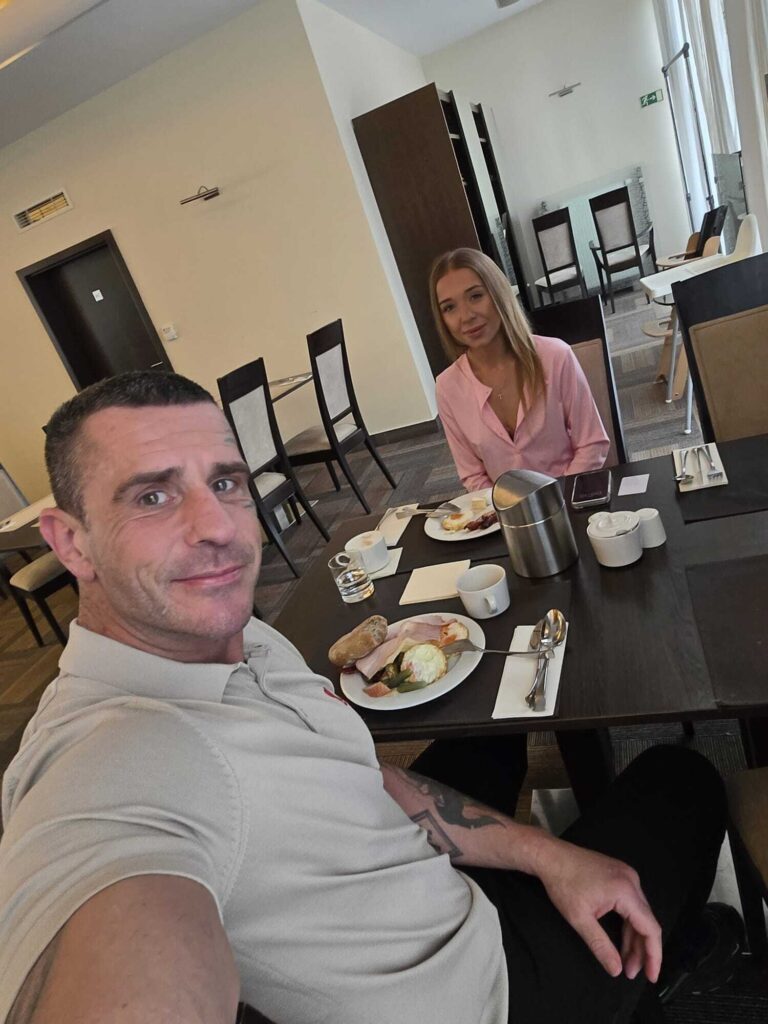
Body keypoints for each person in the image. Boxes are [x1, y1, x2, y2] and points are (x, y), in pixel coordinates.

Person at [0, 371, 734, 1024]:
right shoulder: (110, 758)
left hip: (431, 888)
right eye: (152, 496)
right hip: (486, 990)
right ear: (71, 542)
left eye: (225, 483)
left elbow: (356, 772)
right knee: (683, 777)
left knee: (492, 729)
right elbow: (114, 924)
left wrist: (545, 853)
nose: (218, 527)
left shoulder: (236, 632)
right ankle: (659, 974)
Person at [430, 248, 610, 491]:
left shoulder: (555, 356)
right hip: (505, 509)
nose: (466, 316)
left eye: (475, 296)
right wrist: (510, 509)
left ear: (499, 294)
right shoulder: (447, 387)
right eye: (449, 308)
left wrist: (555, 502)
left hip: (570, 496)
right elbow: (473, 475)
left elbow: (592, 444)